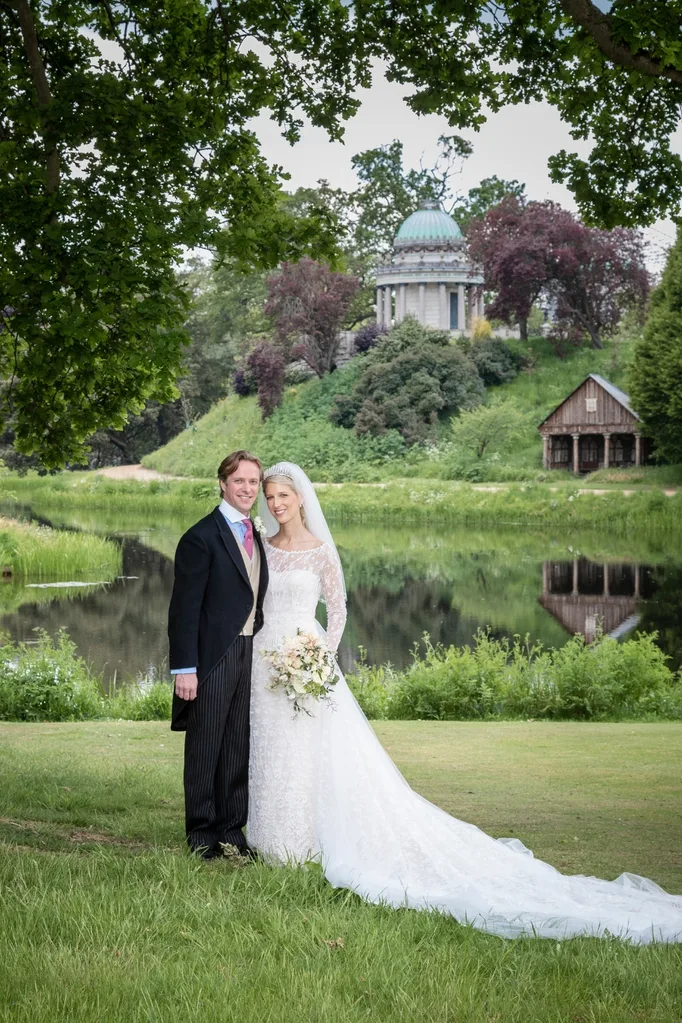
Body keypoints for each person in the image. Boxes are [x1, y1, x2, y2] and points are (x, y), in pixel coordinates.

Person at [247, 461, 682, 943]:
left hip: (306, 660)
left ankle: (304, 843)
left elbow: (339, 608)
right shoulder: (263, 547)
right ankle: (269, 838)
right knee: (272, 746)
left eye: (283, 495)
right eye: (270, 497)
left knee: (309, 750)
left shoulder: (320, 550)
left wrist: (320, 657)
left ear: (301, 498)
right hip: (263, 660)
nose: (276, 504)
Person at [168, 450, 268, 859]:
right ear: (223, 484)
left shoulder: (254, 531)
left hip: (248, 650)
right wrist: (185, 668)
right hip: (213, 657)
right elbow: (184, 609)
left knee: (236, 745)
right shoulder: (200, 537)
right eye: (239, 480)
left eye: (253, 482)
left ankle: (231, 830)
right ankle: (201, 834)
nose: (247, 488)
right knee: (205, 746)